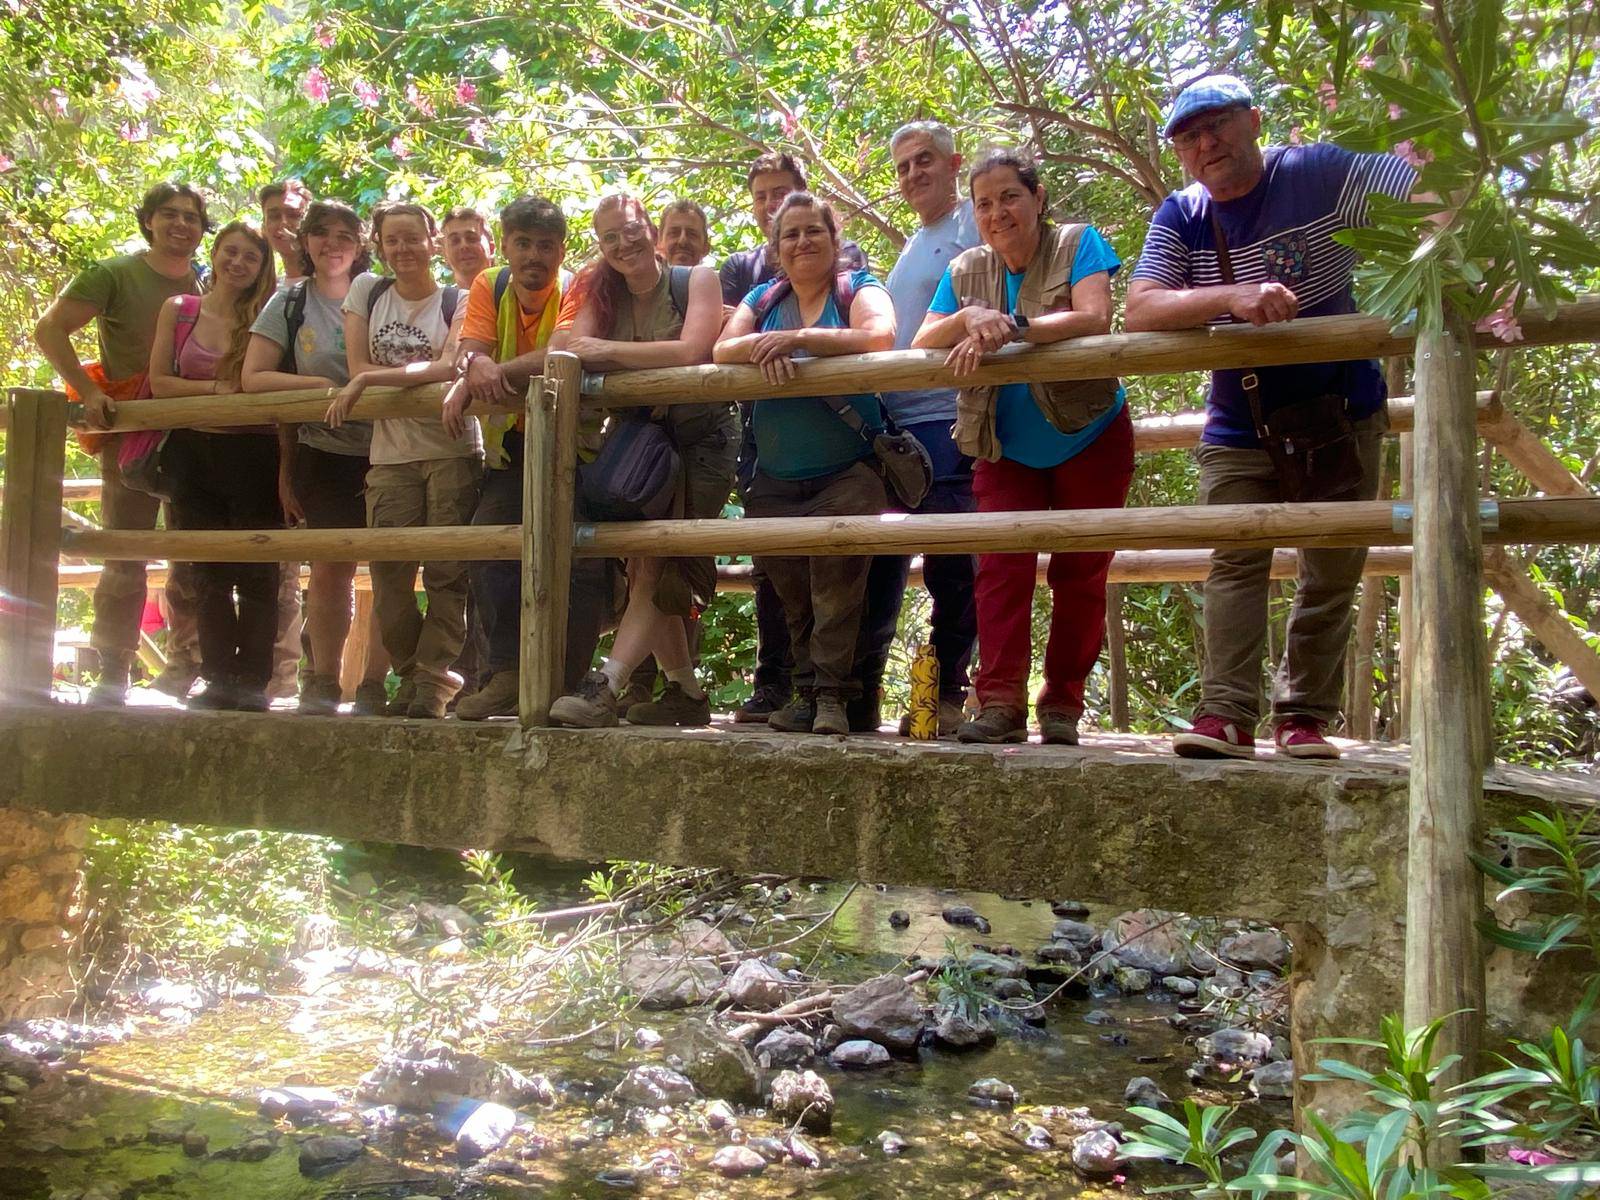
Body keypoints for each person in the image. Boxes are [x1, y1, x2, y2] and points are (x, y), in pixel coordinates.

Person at [1125, 74, 1419, 761]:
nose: (1205, 145)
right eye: (1188, 137)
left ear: (1254, 121)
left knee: (1333, 565)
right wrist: (1233, 297)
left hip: (1343, 411)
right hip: (1239, 419)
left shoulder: (1318, 172)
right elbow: (1141, 307)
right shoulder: (1184, 214)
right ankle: (1224, 714)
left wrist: (1450, 270)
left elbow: (1423, 190)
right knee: (1235, 553)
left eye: (1216, 125)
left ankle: (1304, 718)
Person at [913, 150, 1133, 747]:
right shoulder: (965, 270)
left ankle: (1062, 704)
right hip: (1002, 444)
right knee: (998, 570)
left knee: (1081, 572)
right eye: (983, 203)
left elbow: (1094, 317)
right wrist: (972, 317)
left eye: (1009, 196)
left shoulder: (1076, 242)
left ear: (1037, 198)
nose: (996, 212)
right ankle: (1000, 702)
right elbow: (925, 337)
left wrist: (1015, 324)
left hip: (1088, 433)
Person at [546, 195, 738, 728]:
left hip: (702, 439)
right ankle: (685, 693)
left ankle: (606, 686)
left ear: (650, 230)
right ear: (601, 248)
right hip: (641, 440)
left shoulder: (695, 278)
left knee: (657, 559)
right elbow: (565, 347)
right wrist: (608, 349)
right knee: (642, 562)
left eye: (631, 231)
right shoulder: (600, 288)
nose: (623, 244)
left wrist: (604, 353)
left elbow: (692, 351)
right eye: (610, 238)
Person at [714, 192, 896, 736]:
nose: (801, 242)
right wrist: (768, 342)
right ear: (776, 248)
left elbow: (880, 335)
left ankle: (835, 698)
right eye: (789, 234)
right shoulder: (763, 297)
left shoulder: (857, 287)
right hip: (773, 477)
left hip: (848, 471)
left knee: (838, 590)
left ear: (833, 240)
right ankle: (805, 693)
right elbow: (723, 350)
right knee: (794, 596)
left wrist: (798, 341)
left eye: (812, 231)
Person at [32, 180, 204, 707]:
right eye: (169, 214)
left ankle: (185, 665)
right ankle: (113, 668)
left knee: (193, 553)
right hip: (131, 432)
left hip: (198, 432)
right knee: (124, 551)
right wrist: (87, 392)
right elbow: (51, 329)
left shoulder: (213, 278)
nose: (181, 225)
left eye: (192, 217)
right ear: (148, 220)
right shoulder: (114, 273)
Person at [449, 195, 621, 721]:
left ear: (561, 250)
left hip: (576, 443)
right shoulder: (490, 285)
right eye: (522, 243)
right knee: (490, 545)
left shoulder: (580, 285)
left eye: (545, 245)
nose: (533, 256)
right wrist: (473, 361)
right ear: (504, 246)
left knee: (583, 559)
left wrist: (489, 370)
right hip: (512, 446)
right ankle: (505, 674)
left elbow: (562, 350)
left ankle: (565, 685)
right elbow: (472, 344)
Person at [326, 201, 481, 720]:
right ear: (381, 245)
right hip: (390, 455)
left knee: (446, 572)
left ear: (432, 240)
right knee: (389, 573)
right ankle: (418, 671)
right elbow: (354, 364)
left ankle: (430, 686)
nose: (404, 249)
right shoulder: (366, 291)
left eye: (414, 238)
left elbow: (444, 366)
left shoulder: (458, 298)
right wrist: (363, 374)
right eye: (393, 240)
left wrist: (372, 379)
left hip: (451, 449)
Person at [853, 119, 982, 735]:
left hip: (948, 419)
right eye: (902, 166)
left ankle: (950, 697)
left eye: (924, 161)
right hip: (898, 427)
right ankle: (864, 693)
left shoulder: (974, 222)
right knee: (883, 561)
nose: (913, 175)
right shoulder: (915, 242)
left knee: (954, 562)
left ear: (955, 164)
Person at [242, 199, 391, 717]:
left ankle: (375, 684)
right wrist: (324, 386)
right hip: (322, 452)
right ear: (305, 243)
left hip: (392, 450)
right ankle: (323, 679)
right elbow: (253, 377)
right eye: (321, 233)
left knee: (394, 566)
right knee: (331, 568)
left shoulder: (382, 294)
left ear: (361, 244)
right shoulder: (290, 301)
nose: (333, 243)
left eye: (345, 234)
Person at [147, 222, 281, 710]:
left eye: (251, 257)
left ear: (262, 267)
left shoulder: (269, 314)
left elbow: (262, 383)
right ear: (216, 254)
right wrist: (219, 393)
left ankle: (253, 682)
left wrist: (232, 397)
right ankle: (218, 675)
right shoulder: (180, 310)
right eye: (231, 252)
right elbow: (160, 382)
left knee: (258, 569)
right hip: (192, 453)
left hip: (256, 453)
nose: (238, 263)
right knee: (206, 570)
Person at [258, 178, 314, 701]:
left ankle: (298, 675)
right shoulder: (252, 274)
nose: (284, 225)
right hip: (252, 435)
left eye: (294, 214)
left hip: (315, 436)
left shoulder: (342, 282)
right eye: (274, 214)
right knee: (265, 558)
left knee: (318, 557)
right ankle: (266, 674)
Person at [260, 179, 312, 283]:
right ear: (264, 227)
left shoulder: (333, 283)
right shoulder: (267, 290)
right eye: (274, 216)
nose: (283, 222)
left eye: (294, 215)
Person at [441, 206, 495, 287]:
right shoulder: (443, 299)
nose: (464, 246)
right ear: (445, 254)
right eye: (455, 241)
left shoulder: (514, 291)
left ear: (491, 248)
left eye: (471, 238)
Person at [659, 199, 711, 268]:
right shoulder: (642, 278)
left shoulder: (719, 278)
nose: (682, 241)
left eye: (692, 234)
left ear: (706, 248)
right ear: (658, 243)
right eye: (674, 233)